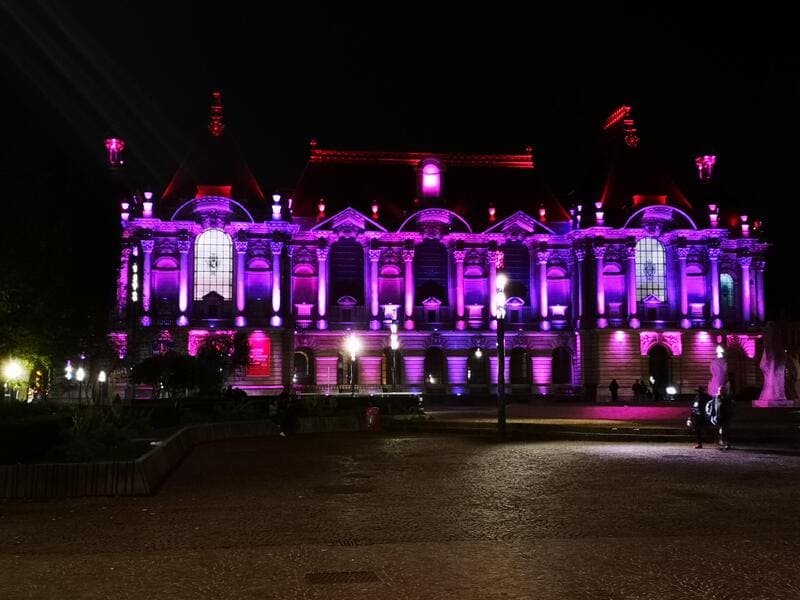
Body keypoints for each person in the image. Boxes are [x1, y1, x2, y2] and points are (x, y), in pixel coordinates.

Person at [715, 385, 735, 450]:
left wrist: (729, 416)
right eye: (719, 390)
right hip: (719, 417)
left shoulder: (728, 399)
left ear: (725, 391)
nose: (720, 392)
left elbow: (730, 408)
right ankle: (723, 443)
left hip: (725, 417)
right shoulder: (717, 398)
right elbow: (716, 407)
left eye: (721, 390)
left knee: (724, 431)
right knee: (721, 431)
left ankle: (726, 443)